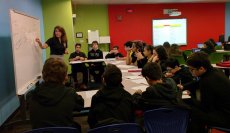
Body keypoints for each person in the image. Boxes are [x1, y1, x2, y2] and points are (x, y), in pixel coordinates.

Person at [178, 52, 230, 133]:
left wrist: (190, 99)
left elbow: (205, 108)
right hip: (225, 110)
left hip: (225, 117)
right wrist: (184, 86)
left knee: (193, 112)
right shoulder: (215, 71)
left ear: (201, 68)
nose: (190, 71)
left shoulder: (207, 82)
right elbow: (197, 83)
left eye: (192, 69)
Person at [29, 58, 84, 132]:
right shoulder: (70, 93)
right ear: (65, 77)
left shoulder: (31, 95)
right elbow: (80, 106)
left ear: (43, 74)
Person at [87, 64, 135, 128]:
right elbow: (132, 119)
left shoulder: (97, 97)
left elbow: (91, 121)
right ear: (121, 80)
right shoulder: (127, 96)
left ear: (104, 80)